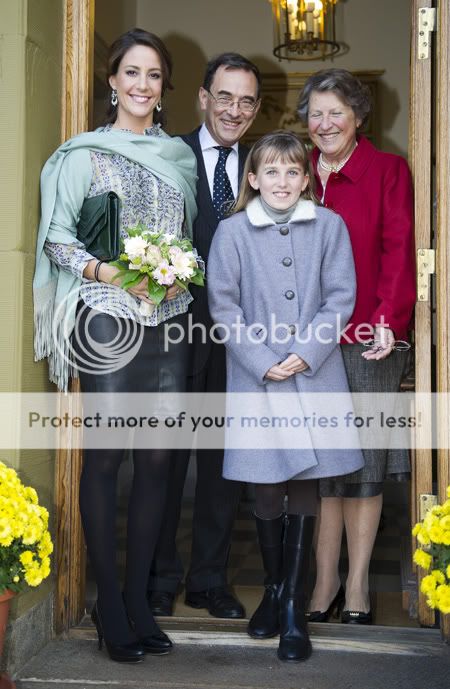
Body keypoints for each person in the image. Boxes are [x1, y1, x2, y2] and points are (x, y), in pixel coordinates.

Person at [33, 28, 197, 662]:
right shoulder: (83, 155)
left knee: (157, 464)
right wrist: (110, 274)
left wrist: (173, 271)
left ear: (164, 88)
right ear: (112, 81)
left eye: (154, 76)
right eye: (132, 73)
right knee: (106, 461)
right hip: (106, 320)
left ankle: (136, 601)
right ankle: (107, 606)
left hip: (171, 317)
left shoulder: (177, 156)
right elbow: (56, 238)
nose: (142, 85)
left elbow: (186, 239)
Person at [207, 130, 364, 661]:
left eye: (293, 171)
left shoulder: (330, 226)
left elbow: (341, 296)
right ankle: (274, 589)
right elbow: (224, 306)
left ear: (307, 178)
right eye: (270, 171)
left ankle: (293, 606)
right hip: (258, 378)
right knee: (266, 488)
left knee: (305, 487)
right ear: (252, 179)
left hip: (314, 375)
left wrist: (308, 350)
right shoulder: (231, 233)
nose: (281, 180)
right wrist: (263, 360)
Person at [297, 68, 415, 624]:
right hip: (307, 345)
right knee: (323, 471)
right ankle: (324, 586)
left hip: (369, 339)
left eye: (335, 113)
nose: (323, 124)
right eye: (315, 113)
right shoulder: (296, 175)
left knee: (363, 467)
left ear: (359, 118)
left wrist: (388, 320)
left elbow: (398, 250)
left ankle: (360, 586)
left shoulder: (389, 171)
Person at [148, 53, 261, 619]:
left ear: (256, 108)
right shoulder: (169, 154)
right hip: (173, 327)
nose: (234, 110)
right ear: (202, 97)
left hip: (238, 338)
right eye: (225, 97)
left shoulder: (264, 167)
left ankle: (209, 580)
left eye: (246, 101)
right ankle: (158, 576)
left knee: (222, 463)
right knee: (164, 460)